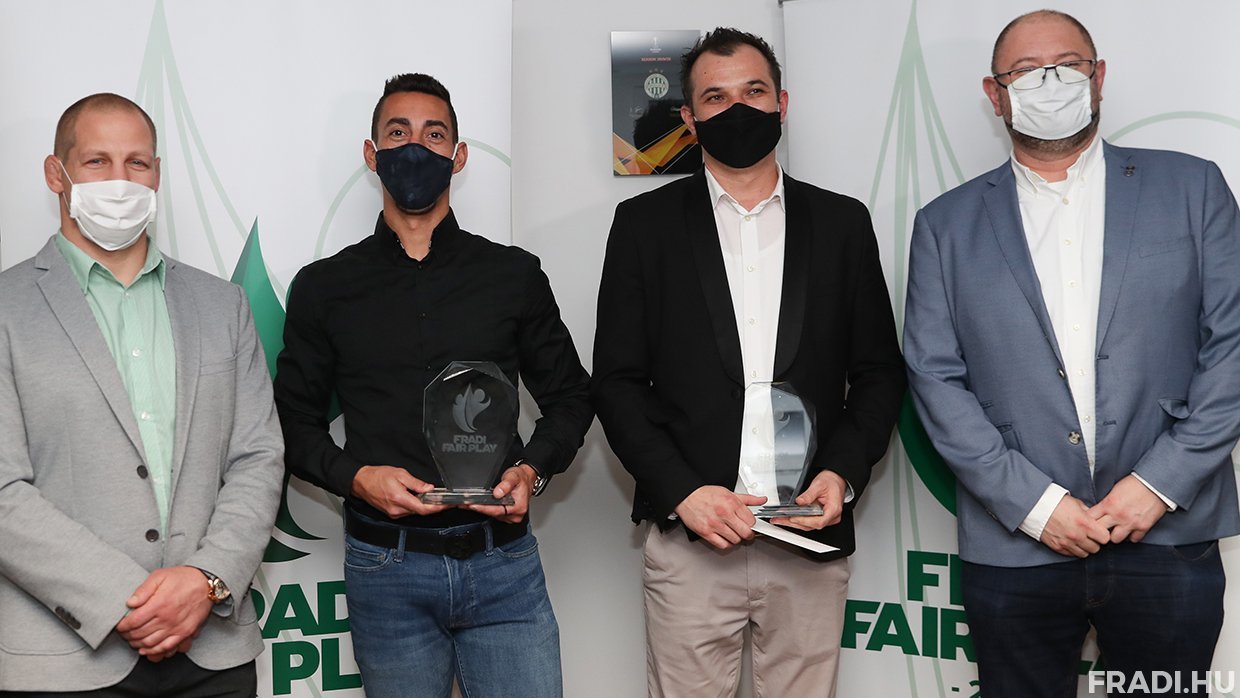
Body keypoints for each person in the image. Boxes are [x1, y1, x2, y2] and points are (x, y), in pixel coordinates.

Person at [904, 10, 1240, 697]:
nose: (1049, 82)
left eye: (1068, 66)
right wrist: (1034, 504)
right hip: (1016, 546)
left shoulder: (1193, 188)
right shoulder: (944, 225)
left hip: (1168, 537)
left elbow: (1233, 344)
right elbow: (934, 378)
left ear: (1099, 77)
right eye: (1026, 71)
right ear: (995, 94)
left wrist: (1159, 484)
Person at [591, 28, 905, 697]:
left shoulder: (843, 224)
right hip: (693, 539)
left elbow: (878, 373)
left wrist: (842, 474)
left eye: (754, 91)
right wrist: (683, 492)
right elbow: (617, 384)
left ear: (781, 103)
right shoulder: (643, 227)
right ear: (689, 118)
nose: (737, 109)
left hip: (809, 540)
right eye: (716, 97)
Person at [273, 73, 592, 698]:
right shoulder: (324, 287)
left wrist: (531, 471)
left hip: (504, 563)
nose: (415, 148)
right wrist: (357, 479)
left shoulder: (513, 275)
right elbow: (290, 422)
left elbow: (572, 397)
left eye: (433, 134)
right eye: (398, 133)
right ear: (372, 155)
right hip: (385, 568)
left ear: (459, 155)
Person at [0, 93, 284, 696]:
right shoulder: (6, 309)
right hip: (64, 660)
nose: (120, 180)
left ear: (157, 174)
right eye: (96, 161)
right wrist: (122, 600)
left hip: (214, 653)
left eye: (137, 163)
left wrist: (206, 580)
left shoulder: (222, 305)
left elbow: (258, 458)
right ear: (56, 173)